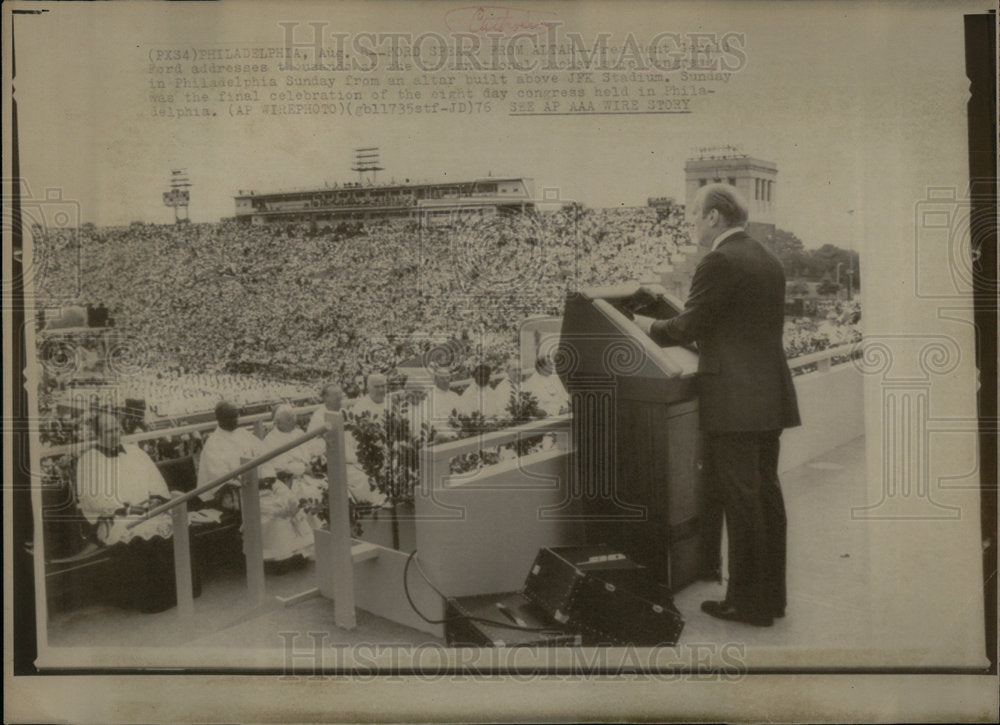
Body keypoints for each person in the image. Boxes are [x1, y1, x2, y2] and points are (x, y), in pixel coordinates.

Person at [634, 183, 801, 627]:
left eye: (694, 217)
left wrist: (647, 326)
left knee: (741, 502)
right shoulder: (767, 258)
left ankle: (746, 605)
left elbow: (690, 323)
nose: (692, 225)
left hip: (735, 402)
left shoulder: (719, 260)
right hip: (768, 396)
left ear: (713, 217)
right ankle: (772, 598)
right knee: (766, 497)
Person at [75, 409, 201, 612]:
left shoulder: (136, 452)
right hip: (115, 518)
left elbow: (156, 482)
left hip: (147, 509)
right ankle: (154, 600)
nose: (115, 434)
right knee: (140, 535)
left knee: (174, 524)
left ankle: (186, 589)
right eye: (108, 431)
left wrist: (155, 500)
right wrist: (130, 509)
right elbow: (93, 499)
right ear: (97, 435)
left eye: (117, 429)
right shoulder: (88, 461)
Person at [197, 400, 259, 511]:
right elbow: (220, 479)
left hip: (253, 485)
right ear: (220, 419)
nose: (235, 421)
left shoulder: (243, 433)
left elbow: (262, 454)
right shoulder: (213, 442)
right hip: (231, 494)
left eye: (236, 417)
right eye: (230, 417)